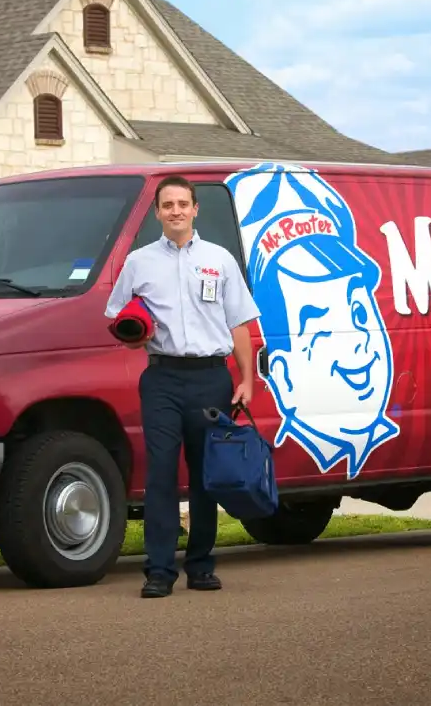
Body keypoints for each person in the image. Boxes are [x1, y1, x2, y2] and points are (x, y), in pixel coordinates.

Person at [105, 174, 261, 598]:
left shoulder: (220, 259)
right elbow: (119, 317)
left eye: (182, 203)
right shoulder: (138, 262)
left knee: (206, 475)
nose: (175, 211)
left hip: (212, 377)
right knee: (160, 474)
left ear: (195, 209)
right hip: (162, 380)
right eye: (167, 204)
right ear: (157, 212)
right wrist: (134, 331)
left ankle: (201, 564)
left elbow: (240, 324)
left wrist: (245, 379)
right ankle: (158, 570)